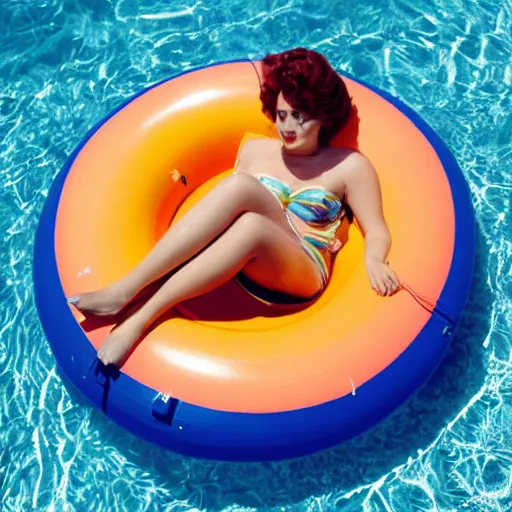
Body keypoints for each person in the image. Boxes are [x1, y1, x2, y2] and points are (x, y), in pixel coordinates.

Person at [67, 48, 400, 366]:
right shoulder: (256, 149)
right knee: (249, 220)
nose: (288, 127)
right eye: (282, 114)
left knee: (245, 194)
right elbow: (224, 221)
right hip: (253, 249)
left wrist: (373, 259)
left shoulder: (348, 167)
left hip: (303, 268)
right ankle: (127, 289)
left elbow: (376, 229)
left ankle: (140, 315)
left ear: (322, 117)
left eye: (299, 117)